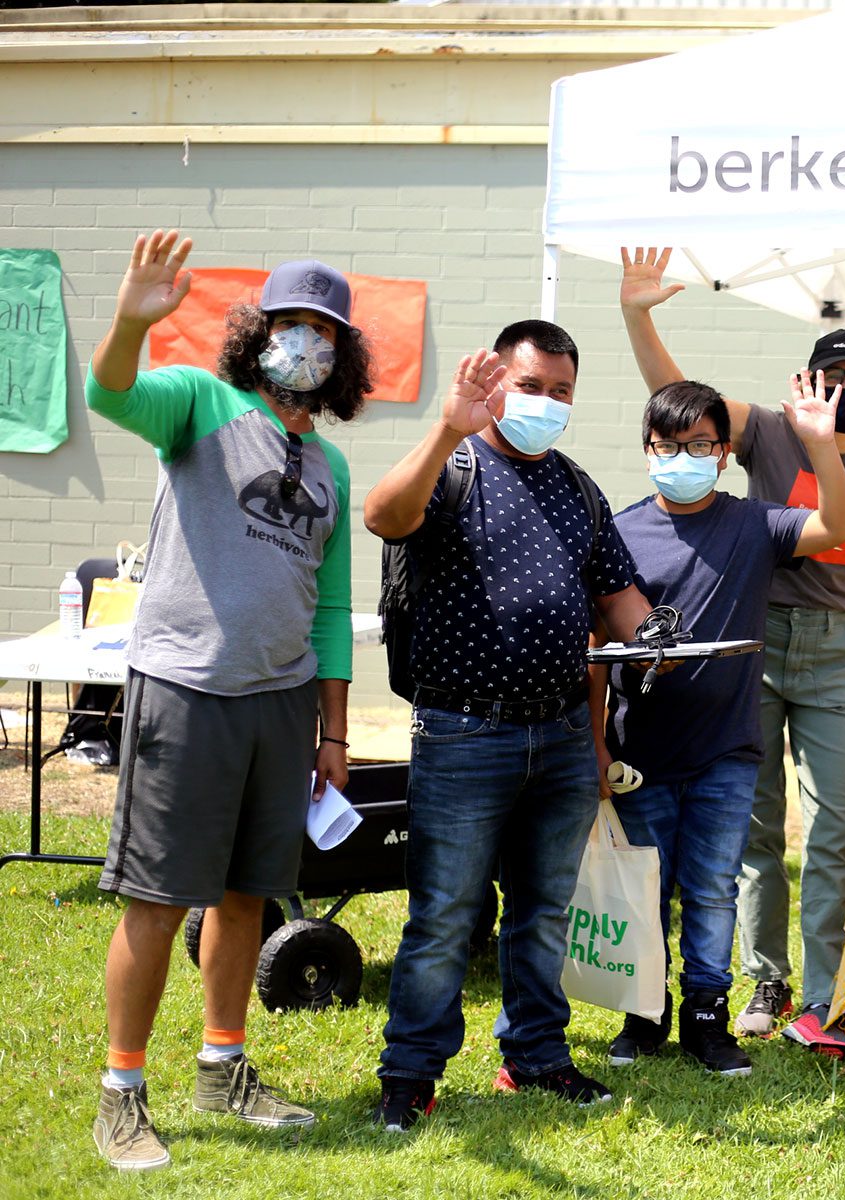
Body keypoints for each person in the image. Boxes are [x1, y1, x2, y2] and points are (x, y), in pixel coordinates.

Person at [618, 247, 845, 1058]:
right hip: (751, 637)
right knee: (753, 828)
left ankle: (824, 995)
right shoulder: (770, 431)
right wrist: (637, 315)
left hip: (836, 651)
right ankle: (764, 979)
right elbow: (680, 408)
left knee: (835, 828)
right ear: (809, 379)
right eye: (833, 373)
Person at [86, 232, 370, 1170]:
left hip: (281, 705)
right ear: (259, 332)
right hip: (186, 687)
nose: (307, 343)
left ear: (343, 353)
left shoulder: (329, 467)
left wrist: (333, 732)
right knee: (160, 900)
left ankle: (223, 1065)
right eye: (291, 323)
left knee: (249, 896)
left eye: (325, 331)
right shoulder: (201, 406)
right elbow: (112, 395)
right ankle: (122, 1093)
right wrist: (131, 323)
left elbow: (330, 608)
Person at [363, 320, 654, 1132]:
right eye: (531, 386)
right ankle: (410, 1075)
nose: (546, 402)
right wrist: (444, 429)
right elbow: (384, 515)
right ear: (496, 383)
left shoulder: (578, 489)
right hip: (464, 733)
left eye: (562, 391)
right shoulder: (454, 466)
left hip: (560, 736)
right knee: (444, 914)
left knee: (545, 911)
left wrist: (661, 639)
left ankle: (535, 1057)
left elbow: (621, 601)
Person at [601, 373, 845, 1076]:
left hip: (728, 751)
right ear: (647, 449)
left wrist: (821, 446)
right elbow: (596, 645)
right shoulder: (618, 532)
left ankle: (707, 1018)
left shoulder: (756, 524)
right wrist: (595, 746)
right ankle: (644, 1012)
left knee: (713, 889)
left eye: (700, 445)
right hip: (641, 751)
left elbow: (839, 526)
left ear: (722, 453)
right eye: (668, 445)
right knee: (646, 890)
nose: (682, 458)